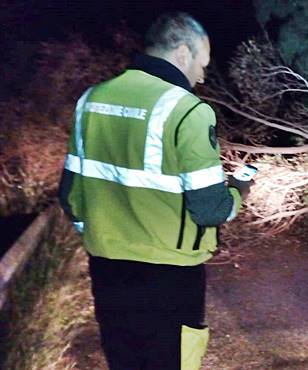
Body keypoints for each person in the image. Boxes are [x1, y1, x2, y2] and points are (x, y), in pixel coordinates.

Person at [58, 12, 250, 370]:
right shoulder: (188, 111)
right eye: (202, 64)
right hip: (170, 278)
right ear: (181, 53)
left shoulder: (90, 100)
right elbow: (210, 209)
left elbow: (70, 195)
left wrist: (102, 235)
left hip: (108, 271)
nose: (202, 75)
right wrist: (240, 190)